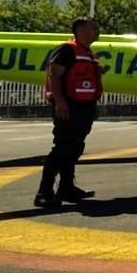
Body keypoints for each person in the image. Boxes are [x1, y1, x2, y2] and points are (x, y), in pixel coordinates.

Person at [35, 17, 102, 208]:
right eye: (93, 27)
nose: (97, 30)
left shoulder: (88, 53)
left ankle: (66, 187)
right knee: (62, 148)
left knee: (75, 148)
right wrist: (60, 102)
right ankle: (44, 192)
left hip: (85, 108)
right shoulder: (66, 49)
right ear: (80, 29)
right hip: (69, 107)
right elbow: (54, 76)